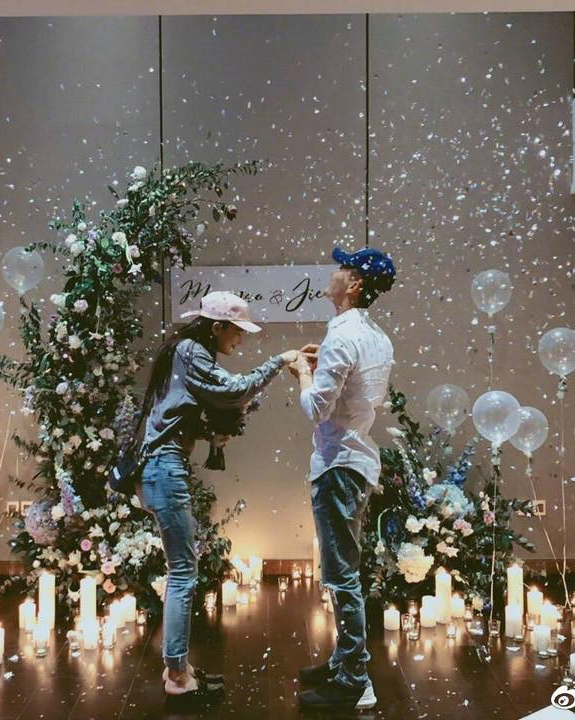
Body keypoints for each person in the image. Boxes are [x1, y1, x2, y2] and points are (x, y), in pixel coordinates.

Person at [138, 290, 302, 706]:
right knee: (182, 573)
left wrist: (210, 433)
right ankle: (177, 676)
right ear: (217, 327)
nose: (240, 340)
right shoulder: (192, 352)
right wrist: (280, 361)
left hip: (161, 465)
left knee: (182, 569)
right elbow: (235, 389)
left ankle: (178, 667)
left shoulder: (184, 350)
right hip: (163, 467)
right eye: (237, 332)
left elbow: (176, 412)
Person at [288, 247, 396, 711]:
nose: (331, 273)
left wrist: (302, 373)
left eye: (341, 268)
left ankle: (355, 680)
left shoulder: (342, 335)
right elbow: (367, 396)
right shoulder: (376, 336)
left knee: (341, 575)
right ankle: (342, 662)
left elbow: (317, 409)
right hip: (357, 461)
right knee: (345, 570)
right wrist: (323, 366)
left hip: (337, 465)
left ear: (353, 284)